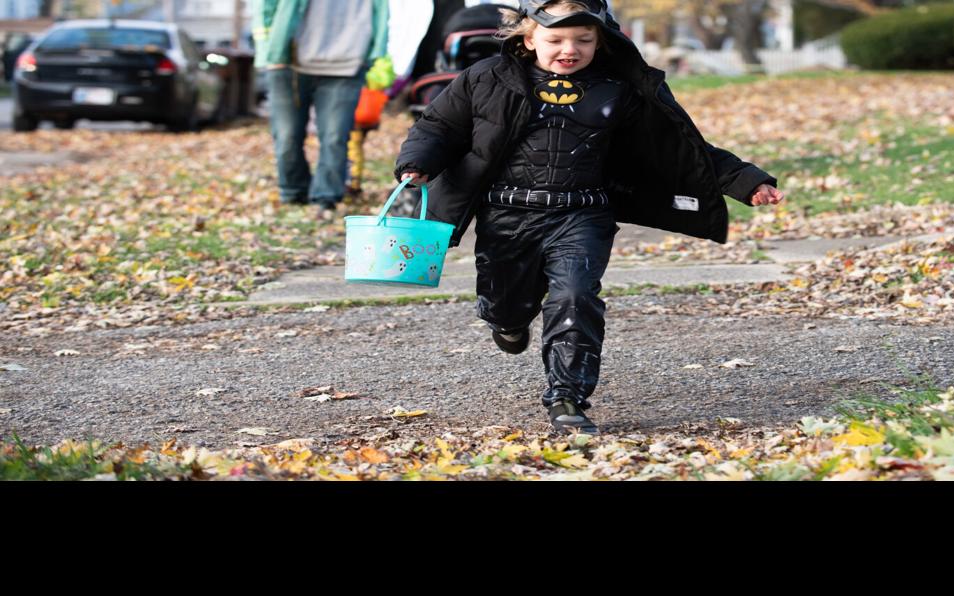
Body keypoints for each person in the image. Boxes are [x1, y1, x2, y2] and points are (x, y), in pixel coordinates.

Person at [393, 0, 786, 436]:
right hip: (507, 214)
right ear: (527, 38)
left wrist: (744, 180)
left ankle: (567, 396)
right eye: (555, 39)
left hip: (581, 213)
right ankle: (506, 320)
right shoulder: (486, 78)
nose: (569, 49)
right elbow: (438, 127)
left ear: (601, 41)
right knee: (506, 303)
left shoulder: (619, 88)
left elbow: (678, 146)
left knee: (576, 298)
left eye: (583, 40)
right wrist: (418, 161)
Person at [254, 0, 391, 219]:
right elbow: (264, 7)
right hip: (288, 61)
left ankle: (327, 197)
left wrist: (374, 53)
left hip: (347, 63)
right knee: (287, 136)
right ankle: (293, 191)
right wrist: (269, 51)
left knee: (335, 136)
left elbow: (382, 13)